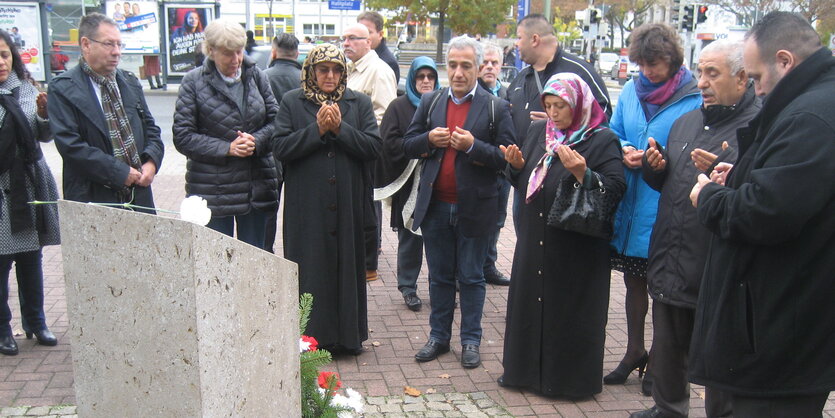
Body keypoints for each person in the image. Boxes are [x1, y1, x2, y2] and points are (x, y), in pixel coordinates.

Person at [688, 12, 835, 417]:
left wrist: (711, 197)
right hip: (776, 329)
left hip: (776, 338)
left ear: (784, 61)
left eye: (755, 77)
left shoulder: (812, 116)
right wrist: (740, 176)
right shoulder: (811, 105)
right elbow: (792, 188)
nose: (756, 88)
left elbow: (768, 212)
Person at [629, 39, 760, 418]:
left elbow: (760, 193)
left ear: (741, 77)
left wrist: (730, 175)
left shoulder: (756, 128)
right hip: (672, 251)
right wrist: (656, 167)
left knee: (720, 353)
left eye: (712, 73)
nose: (702, 81)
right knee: (668, 340)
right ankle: (668, 407)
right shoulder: (687, 120)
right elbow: (671, 182)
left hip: (716, 262)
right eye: (700, 71)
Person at [499, 73, 624, 398]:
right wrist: (516, 166)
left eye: (561, 106)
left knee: (568, 311)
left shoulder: (601, 139)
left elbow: (615, 189)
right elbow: (527, 179)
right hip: (535, 237)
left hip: (576, 245)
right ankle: (523, 373)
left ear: (580, 104)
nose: (554, 113)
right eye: (549, 105)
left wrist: (584, 173)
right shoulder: (541, 131)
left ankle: (566, 381)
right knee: (531, 304)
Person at [404, 36, 515, 369]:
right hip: (436, 204)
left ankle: (471, 340)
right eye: (452, 65)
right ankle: (438, 337)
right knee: (439, 276)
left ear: (479, 68)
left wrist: (472, 146)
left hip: (476, 207)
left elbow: (507, 159)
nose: (458, 72)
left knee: (471, 276)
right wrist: (427, 140)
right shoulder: (431, 102)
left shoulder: (496, 107)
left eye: (466, 66)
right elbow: (407, 144)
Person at [605, 23, 701, 393]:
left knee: (662, 290)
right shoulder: (631, 89)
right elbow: (613, 129)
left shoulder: (691, 97)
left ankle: (661, 362)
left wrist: (655, 160)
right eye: (642, 63)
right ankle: (634, 352)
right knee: (633, 283)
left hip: (664, 202)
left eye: (655, 64)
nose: (648, 71)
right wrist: (626, 148)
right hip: (631, 202)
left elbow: (693, 147)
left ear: (673, 60)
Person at [273, 44, 380, 355]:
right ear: (311, 72)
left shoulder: (357, 103)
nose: (330, 75)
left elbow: (373, 146)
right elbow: (280, 148)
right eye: (323, 69)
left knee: (347, 265)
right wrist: (318, 129)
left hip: (348, 202)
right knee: (311, 267)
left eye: (336, 69)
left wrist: (340, 129)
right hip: (308, 205)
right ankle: (311, 337)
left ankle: (347, 337)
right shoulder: (293, 102)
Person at [172, 19, 279, 250]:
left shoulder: (257, 76)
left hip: (256, 187)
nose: (236, 60)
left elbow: (277, 122)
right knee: (216, 264)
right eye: (228, 54)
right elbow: (183, 136)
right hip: (213, 192)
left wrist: (256, 141)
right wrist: (227, 148)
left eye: (239, 52)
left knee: (256, 259)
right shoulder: (193, 82)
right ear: (210, 51)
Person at [49, 13, 163, 214]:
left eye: (119, 44)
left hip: (138, 195)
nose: (116, 52)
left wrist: (151, 162)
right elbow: (71, 146)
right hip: (92, 199)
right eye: (109, 44)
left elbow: (151, 129)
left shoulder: (128, 82)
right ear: (86, 44)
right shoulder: (63, 88)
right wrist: (119, 173)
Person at [508, 14, 611, 233]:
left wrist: (563, 125)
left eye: (518, 37)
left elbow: (602, 116)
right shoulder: (521, 77)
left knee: (556, 247)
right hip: (528, 177)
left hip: (566, 181)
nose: (515, 44)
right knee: (528, 243)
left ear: (534, 39)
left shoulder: (579, 70)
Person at [0, 29, 60, 356]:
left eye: (5, 54)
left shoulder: (26, 88)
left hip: (28, 182)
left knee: (30, 258)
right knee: (0, 261)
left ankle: (36, 322)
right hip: (1, 187)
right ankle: (2, 328)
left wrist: (43, 113)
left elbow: (44, 135)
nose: (1, 62)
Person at [375, 56, 440, 311]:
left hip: (439, 183)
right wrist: (421, 149)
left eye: (430, 76)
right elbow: (388, 143)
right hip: (409, 182)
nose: (425, 81)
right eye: (420, 76)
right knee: (410, 237)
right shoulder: (398, 107)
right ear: (412, 79)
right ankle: (408, 287)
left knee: (439, 237)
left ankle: (440, 286)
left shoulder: (443, 104)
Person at [342, 22, 396, 282]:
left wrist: (352, 131)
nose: (346, 43)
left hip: (367, 150)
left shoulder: (379, 71)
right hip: (349, 149)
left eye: (353, 38)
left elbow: (385, 116)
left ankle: (368, 259)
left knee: (369, 203)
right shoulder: (349, 70)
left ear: (368, 42)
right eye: (344, 39)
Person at [262, 33, 301, 253]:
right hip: (300, 152)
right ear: (296, 53)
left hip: (270, 153)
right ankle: (295, 256)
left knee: (269, 209)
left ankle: (266, 253)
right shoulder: (305, 79)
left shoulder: (263, 77)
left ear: (274, 52)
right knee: (298, 211)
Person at [477, 42, 511, 286]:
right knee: (477, 220)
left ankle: (489, 265)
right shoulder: (471, 93)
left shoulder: (509, 94)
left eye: (494, 63)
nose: (489, 67)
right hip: (479, 168)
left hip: (503, 171)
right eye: (485, 62)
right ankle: (472, 268)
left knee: (498, 220)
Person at [357, 11, 400, 83]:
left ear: (380, 34)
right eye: (359, 32)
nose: (361, 36)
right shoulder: (357, 57)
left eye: (368, 32)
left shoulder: (387, 63)